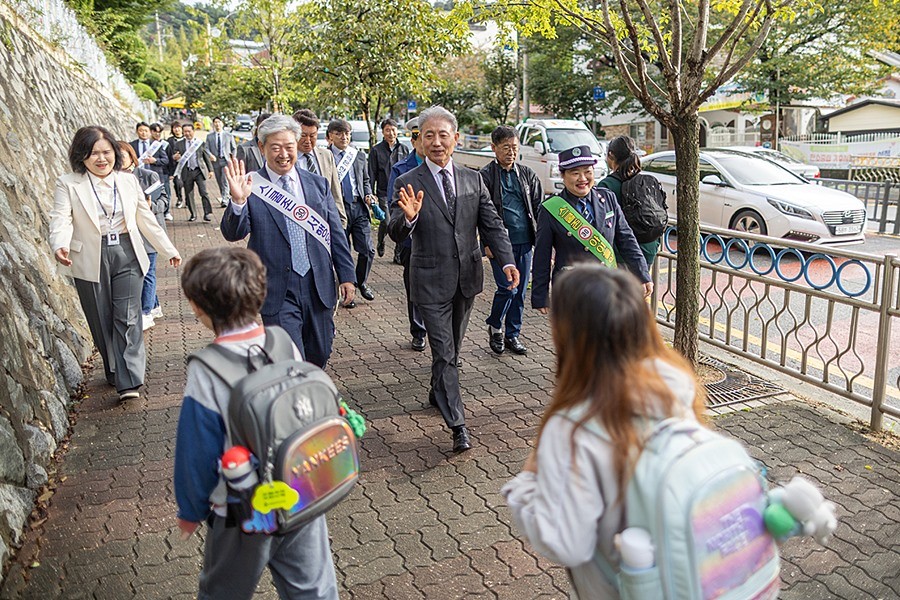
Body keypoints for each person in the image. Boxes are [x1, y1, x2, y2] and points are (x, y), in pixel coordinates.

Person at [502, 264, 704, 599]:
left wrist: (524, 484)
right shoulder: (676, 387)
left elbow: (567, 544)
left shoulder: (573, 428)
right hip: (683, 576)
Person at [174, 247, 339, 600]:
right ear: (260, 294)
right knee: (313, 588)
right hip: (300, 492)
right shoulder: (283, 342)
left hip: (243, 510)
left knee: (223, 590)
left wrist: (191, 510)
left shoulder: (206, 369)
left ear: (198, 307)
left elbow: (197, 452)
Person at [389, 106, 518, 453]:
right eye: (428, 135)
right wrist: (409, 219)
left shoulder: (473, 179)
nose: (436, 142)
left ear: (455, 139)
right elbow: (394, 231)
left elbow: (491, 223)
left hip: (467, 278)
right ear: (419, 140)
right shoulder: (407, 182)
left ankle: (437, 391)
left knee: (452, 350)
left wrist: (506, 261)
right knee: (445, 352)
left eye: (442, 135)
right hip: (429, 280)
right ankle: (457, 424)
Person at [49, 126, 181, 401]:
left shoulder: (128, 181)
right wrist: (59, 243)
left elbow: (146, 218)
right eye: (93, 153)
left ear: (115, 153)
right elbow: (61, 217)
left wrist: (167, 249)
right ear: (81, 156)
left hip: (126, 251)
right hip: (89, 256)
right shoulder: (68, 182)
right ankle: (113, 368)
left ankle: (129, 379)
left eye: (106, 152)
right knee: (100, 317)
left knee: (128, 314)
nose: (101, 158)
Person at [221, 114, 356, 368]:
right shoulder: (252, 186)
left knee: (320, 352)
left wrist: (347, 275)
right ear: (261, 148)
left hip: (318, 285)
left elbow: (335, 233)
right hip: (277, 288)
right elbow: (233, 233)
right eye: (275, 148)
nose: (283, 154)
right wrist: (238, 202)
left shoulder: (317, 184)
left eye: (289, 147)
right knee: (290, 358)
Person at [531, 145, 652, 313]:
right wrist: (540, 295)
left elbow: (626, 239)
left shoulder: (607, 198)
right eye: (575, 173)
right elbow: (542, 255)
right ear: (563, 176)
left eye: (588, 171)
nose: (583, 178)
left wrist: (642, 274)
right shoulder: (551, 208)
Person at [479, 126, 543, 356]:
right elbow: (480, 215)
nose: (511, 153)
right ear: (494, 148)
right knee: (507, 288)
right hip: (499, 245)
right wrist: (486, 243)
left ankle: (512, 334)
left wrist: (543, 240)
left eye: (514, 148)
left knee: (520, 291)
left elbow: (538, 208)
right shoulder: (485, 176)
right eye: (506, 148)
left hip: (525, 241)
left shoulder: (527, 175)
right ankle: (495, 325)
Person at [327, 118, 377, 308]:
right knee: (343, 251)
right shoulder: (325, 156)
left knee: (367, 249)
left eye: (347, 133)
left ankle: (360, 282)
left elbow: (365, 180)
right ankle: (347, 291)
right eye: (339, 133)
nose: (344, 137)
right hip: (338, 209)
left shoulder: (358, 155)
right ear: (330, 136)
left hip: (358, 207)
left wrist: (369, 195)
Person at [118, 141, 168, 330]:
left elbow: (164, 200)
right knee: (140, 271)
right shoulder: (113, 181)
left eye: (123, 156)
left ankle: (146, 312)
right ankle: (154, 305)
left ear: (132, 157)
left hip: (148, 233)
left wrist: (151, 207)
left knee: (148, 272)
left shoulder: (148, 176)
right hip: (128, 234)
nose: (119, 160)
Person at [387, 118, 426, 351]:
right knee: (414, 287)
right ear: (414, 140)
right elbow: (394, 206)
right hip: (412, 240)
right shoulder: (401, 169)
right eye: (421, 137)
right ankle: (418, 330)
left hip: (439, 242)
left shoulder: (443, 166)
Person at [597, 135, 662, 268]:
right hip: (648, 249)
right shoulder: (643, 181)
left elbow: (601, 223)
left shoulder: (607, 185)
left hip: (622, 254)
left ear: (610, 154)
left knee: (623, 289)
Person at [291, 109, 347, 229]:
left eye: (312, 136)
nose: (308, 141)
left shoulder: (326, 155)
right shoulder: (286, 159)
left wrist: (341, 222)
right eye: (303, 135)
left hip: (324, 223)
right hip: (297, 221)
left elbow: (335, 191)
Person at [368, 117, 409, 259]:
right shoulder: (376, 150)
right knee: (386, 221)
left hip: (400, 192)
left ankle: (398, 252)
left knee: (401, 221)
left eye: (393, 130)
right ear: (383, 132)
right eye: (387, 130)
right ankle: (381, 241)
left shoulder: (403, 149)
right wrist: (371, 193)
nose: (391, 133)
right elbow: (371, 173)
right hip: (383, 191)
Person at [176, 123, 215, 222]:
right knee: (189, 194)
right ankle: (193, 214)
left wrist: (211, 170)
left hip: (199, 171)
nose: (187, 133)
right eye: (185, 131)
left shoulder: (200, 143)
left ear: (193, 131)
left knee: (204, 192)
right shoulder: (179, 144)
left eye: (189, 131)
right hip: (187, 171)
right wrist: (175, 157)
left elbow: (206, 157)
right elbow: (175, 156)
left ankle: (207, 213)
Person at [206, 116, 238, 207]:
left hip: (226, 160)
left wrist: (232, 159)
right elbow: (206, 148)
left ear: (222, 123)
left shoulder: (228, 135)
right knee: (219, 180)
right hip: (215, 161)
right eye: (215, 122)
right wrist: (210, 155)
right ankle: (225, 196)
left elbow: (234, 148)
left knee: (225, 180)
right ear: (213, 124)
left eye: (219, 122)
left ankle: (225, 199)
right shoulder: (210, 136)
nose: (217, 124)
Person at [149, 123, 174, 221]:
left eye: (159, 132)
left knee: (166, 192)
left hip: (164, 172)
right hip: (150, 172)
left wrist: (171, 173)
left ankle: (166, 211)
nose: (157, 134)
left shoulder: (165, 144)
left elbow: (169, 160)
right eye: (155, 131)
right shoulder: (149, 144)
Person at [167, 121, 187, 210]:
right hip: (175, 166)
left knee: (187, 183)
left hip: (187, 166)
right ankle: (179, 198)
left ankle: (188, 200)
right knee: (177, 183)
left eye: (178, 127)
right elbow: (167, 154)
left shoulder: (187, 139)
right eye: (174, 128)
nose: (177, 129)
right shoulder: (169, 141)